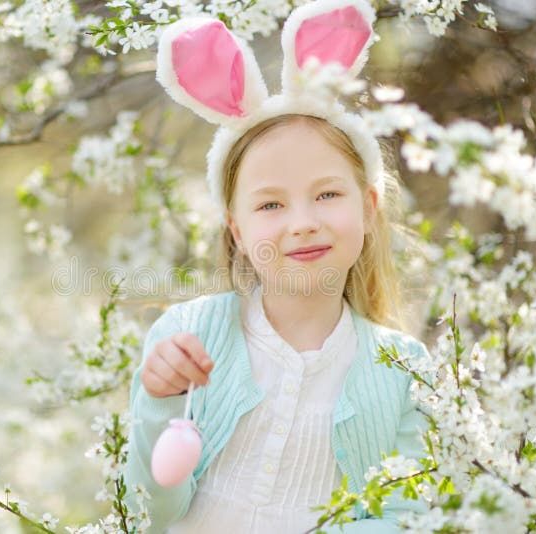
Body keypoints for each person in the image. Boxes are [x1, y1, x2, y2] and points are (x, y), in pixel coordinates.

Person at [123, 1, 430, 532]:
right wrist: (160, 405)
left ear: (369, 207)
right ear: (238, 232)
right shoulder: (187, 338)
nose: (303, 223)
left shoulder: (404, 372)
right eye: (270, 205)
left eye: (328, 194)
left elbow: (403, 515)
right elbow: (149, 513)